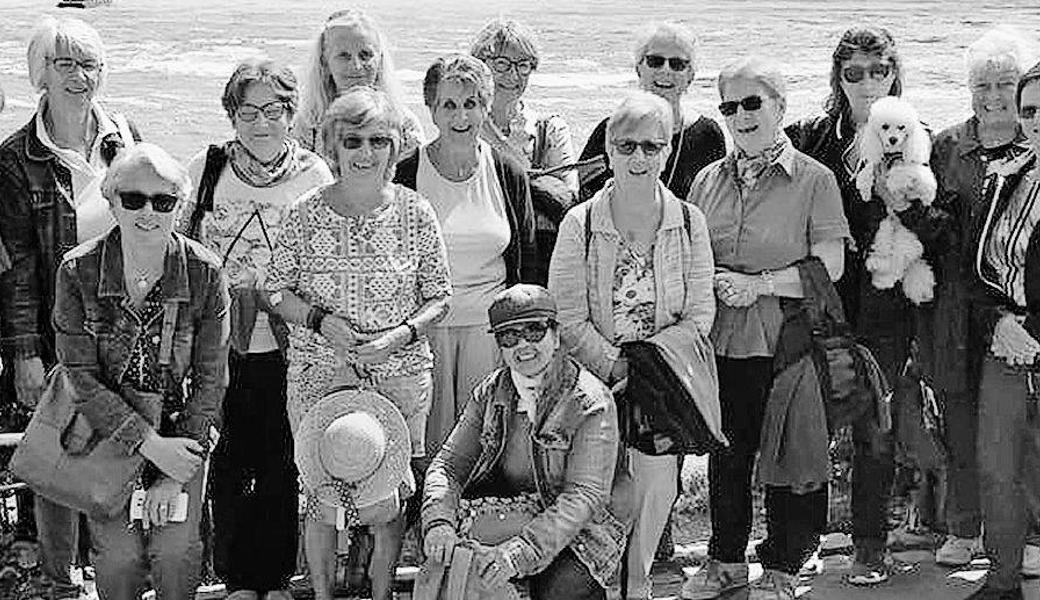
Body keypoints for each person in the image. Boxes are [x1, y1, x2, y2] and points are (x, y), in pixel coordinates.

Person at [263, 87, 452, 600]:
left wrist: (398, 337)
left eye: (378, 140)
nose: (365, 153)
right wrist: (321, 321)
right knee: (322, 495)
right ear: (333, 146)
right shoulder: (303, 213)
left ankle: (382, 592)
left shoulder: (417, 212)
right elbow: (274, 289)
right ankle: (323, 594)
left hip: (401, 373)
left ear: (394, 148)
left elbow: (439, 296)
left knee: (389, 499)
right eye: (353, 141)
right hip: (320, 372)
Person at [786, 26, 950, 584]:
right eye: (852, 72)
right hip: (821, 301)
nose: (865, 82)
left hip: (885, 305)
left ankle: (869, 545)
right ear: (838, 78)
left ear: (894, 73)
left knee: (874, 427)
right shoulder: (812, 137)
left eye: (877, 70)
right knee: (807, 420)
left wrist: (900, 204)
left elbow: (942, 231)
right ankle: (797, 542)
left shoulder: (916, 136)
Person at [683, 57, 849, 600]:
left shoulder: (814, 180)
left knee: (788, 458)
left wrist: (759, 285)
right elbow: (686, 256)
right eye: (728, 105)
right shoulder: (706, 179)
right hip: (719, 344)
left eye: (752, 102)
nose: (739, 115)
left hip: (786, 344)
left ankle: (783, 566)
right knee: (726, 456)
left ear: (780, 105)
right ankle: (725, 560)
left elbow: (831, 266)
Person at [175, 58, 333, 600]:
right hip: (218, 343)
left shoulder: (315, 173)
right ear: (231, 114)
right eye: (248, 111)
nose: (261, 123)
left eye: (273, 110)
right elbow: (180, 248)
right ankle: (237, 579)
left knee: (283, 462)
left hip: (292, 342)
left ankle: (276, 578)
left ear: (291, 112)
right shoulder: (205, 167)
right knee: (227, 459)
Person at [549, 91, 715, 599]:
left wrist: (645, 365)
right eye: (626, 147)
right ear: (608, 149)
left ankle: (637, 587)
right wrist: (615, 364)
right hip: (593, 389)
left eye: (650, 146)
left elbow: (700, 313)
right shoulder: (580, 224)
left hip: (658, 390)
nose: (638, 158)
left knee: (653, 496)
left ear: (667, 151)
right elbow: (567, 315)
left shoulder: (689, 221)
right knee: (593, 502)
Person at [0, 16, 140, 598]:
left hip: (125, 330)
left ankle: (116, 577)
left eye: (89, 64)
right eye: (65, 64)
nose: (80, 77)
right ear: (41, 74)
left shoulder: (124, 136)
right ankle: (60, 582)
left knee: (116, 450)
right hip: (54, 334)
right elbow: (17, 271)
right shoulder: (14, 159)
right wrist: (26, 355)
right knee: (56, 458)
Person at [52, 143, 229, 599]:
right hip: (106, 436)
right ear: (111, 200)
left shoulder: (206, 274)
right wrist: (149, 446)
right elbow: (81, 380)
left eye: (163, 201)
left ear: (179, 206)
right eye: (133, 198)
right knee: (117, 557)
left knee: (176, 551)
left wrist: (172, 470)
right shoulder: (77, 272)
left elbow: (210, 382)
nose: (148, 211)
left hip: (181, 436)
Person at [422, 284, 631, 600]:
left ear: (556, 335)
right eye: (509, 336)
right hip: (508, 514)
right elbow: (448, 465)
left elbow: (584, 496)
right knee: (453, 577)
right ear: (500, 346)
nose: (523, 345)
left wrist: (519, 552)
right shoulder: (490, 392)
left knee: (558, 593)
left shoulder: (590, 401)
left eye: (535, 331)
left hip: (580, 530)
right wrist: (439, 521)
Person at [928, 28, 1037, 571]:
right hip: (952, 304)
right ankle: (965, 528)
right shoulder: (947, 144)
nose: (994, 95)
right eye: (983, 85)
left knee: (1024, 425)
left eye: (1005, 84)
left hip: (1013, 309)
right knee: (959, 416)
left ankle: (1031, 537)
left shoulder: (1033, 146)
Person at [394, 54, 537, 459]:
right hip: (424, 334)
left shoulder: (508, 173)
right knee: (424, 454)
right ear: (432, 109)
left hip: (491, 335)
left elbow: (526, 264)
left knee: (487, 450)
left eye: (471, 104)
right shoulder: (405, 174)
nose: (461, 116)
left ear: (486, 107)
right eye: (449, 105)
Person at [962, 61, 1040, 600]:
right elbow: (976, 271)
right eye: (1031, 109)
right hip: (1005, 344)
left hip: (1032, 337)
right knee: (997, 470)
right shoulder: (1007, 176)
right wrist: (997, 322)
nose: (1038, 120)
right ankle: (1002, 582)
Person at [470, 18, 579, 284]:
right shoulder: (465, 128)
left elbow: (569, 201)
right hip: (481, 261)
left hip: (540, 263)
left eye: (523, 66)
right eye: (502, 64)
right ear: (481, 65)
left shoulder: (550, 130)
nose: (513, 75)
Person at [577, 22, 725, 202]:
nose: (665, 70)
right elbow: (584, 198)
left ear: (691, 75)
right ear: (639, 68)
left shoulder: (707, 135)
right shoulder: (610, 129)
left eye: (677, 64)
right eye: (655, 61)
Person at [293, 8, 424, 160]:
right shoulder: (306, 127)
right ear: (325, 62)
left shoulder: (405, 126)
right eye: (344, 56)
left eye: (365, 55)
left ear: (379, 60)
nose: (356, 66)